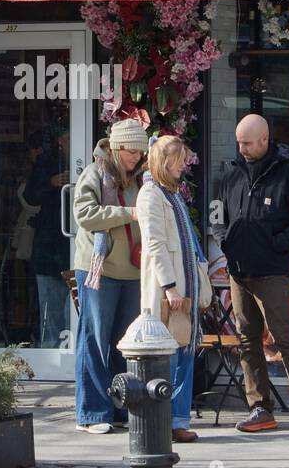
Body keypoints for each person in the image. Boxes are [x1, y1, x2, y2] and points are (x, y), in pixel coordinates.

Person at [210, 113, 289, 436]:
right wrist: (224, 240)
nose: (241, 148)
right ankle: (259, 407)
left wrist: (278, 245)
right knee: (247, 341)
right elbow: (216, 213)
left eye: (247, 142)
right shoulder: (231, 174)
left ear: (264, 139)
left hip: (271, 271)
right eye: (239, 142)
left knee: (283, 337)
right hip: (238, 270)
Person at [72, 117, 147, 434]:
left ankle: (118, 407)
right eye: (131, 152)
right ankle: (91, 413)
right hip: (98, 271)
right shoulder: (94, 174)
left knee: (122, 343)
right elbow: (85, 215)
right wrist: (128, 214)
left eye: (140, 153)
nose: (136, 158)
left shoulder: (139, 179)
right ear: (116, 148)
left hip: (132, 270)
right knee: (95, 340)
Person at [137, 134, 212, 444]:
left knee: (183, 353)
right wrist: (169, 287)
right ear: (164, 161)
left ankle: (178, 420)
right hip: (170, 290)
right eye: (180, 159)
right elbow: (154, 243)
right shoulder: (150, 194)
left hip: (184, 287)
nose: (185, 164)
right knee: (168, 357)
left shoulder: (172, 193)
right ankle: (164, 420)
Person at [23, 124, 73, 349]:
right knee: (51, 307)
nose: (71, 142)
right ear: (60, 140)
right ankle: (51, 356)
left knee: (74, 308)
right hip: (50, 244)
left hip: (76, 245)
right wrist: (52, 183)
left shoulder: (88, 159)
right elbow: (30, 196)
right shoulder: (47, 161)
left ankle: (75, 355)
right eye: (68, 138)